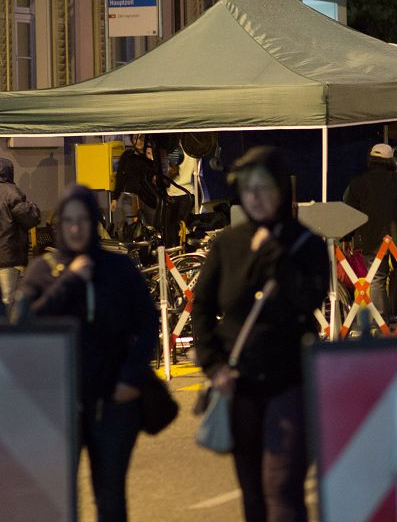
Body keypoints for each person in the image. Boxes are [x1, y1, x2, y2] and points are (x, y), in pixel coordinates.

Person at [192, 147, 329, 522]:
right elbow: (201, 309)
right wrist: (214, 366)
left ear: (283, 190)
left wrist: (275, 257)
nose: (256, 197)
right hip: (240, 389)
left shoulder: (307, 245)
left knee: (282, 488)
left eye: (264, 188)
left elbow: (306, 301)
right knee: (252, 495)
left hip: (291, 383)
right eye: (248, 189)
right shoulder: (227, 245)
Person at [16, 185, 157, 522]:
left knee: (110, 498)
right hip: (58, 404)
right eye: (69, 221)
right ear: (59, 224)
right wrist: (70, 282)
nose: (76, 228)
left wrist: (131, 377)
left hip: (112, 402)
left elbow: (149, 323)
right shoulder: (42, 271)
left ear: (94, 223)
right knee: (57, 497)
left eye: (83, 220)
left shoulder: (118, 268)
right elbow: (22, 324)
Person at [343, 143, 397, 319]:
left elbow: (350, 213)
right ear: (391, 161)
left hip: (371, 238)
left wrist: (347, 237)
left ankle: (381, 319)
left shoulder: (357, 184)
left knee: (377, 279)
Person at [0, 157, 40, 315]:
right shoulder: (11, 192)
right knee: (8, 300)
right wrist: (34, 208)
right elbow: (30, 218)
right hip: (8, 255)